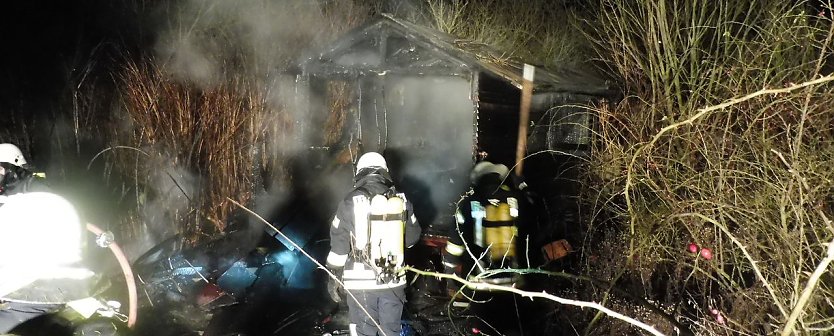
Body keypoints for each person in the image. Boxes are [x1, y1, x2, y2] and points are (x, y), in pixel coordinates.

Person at [0, 143, 101, 334]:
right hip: (23, 285)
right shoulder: (7, 199)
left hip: (42, 283)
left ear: (14, 169)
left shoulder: (37, 193)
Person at [325, 152, 422, 336]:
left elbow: (339, 247)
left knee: (363, 331)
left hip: (361, 283)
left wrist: (333, 277)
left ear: (360, 172)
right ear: (384, 172)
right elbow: (412, 239)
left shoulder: (349, 201)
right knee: (391, 331)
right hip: (394, 280)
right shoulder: (401, 200)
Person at [442, 161, 524, 299]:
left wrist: (450, 278)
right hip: (513, 284)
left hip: (479, 283)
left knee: (482, 319)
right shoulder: (516, 199)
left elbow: (456, 244)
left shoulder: (469, 202)